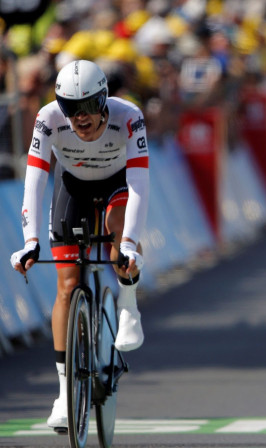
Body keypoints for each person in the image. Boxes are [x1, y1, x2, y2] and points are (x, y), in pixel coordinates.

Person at [9, 60, 149, 431]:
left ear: (104, 100)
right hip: (72, 185)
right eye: (71, 108)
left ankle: (128, 305)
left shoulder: (129, 116)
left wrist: (131, 244)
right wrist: (30, 241)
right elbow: (35, 181)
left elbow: (139, 185)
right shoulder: (48, 119)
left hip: (118, 181)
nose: (80, 117)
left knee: (118, 231)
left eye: (88, 107)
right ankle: (63, 391)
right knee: (67, 286)